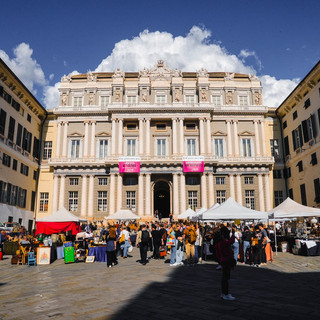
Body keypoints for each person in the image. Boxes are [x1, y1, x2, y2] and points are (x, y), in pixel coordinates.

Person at [216, 226, 236, 300]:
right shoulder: (223, 241)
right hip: (226, 260)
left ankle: (224, 293)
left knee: (225, 278)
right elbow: (230, 242)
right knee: (226, 278)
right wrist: (233, 234)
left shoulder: (220, 240)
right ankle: (225, 293)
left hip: (223, 260)